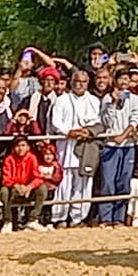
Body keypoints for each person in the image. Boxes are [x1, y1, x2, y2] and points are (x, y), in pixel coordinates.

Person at [47, 67, 101, 226]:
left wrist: (87, 131)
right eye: (77, 81)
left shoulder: (94, 100)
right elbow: (56, 122)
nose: (80, 85)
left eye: (83, 82)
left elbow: (96, 121)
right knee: (64, 183)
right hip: (66, 145)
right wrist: (69, 132)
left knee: (83, 183)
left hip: (86, 145)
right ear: (71, 82)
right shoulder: (62, 100)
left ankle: (78, 218)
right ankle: (60, 217)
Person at [97, 70, 138, 226]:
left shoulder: (135, 99)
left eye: (127, 79)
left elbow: (135, 118)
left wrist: (124, 135)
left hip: (128, 145)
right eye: (121, 78)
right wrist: (113, 103)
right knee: (108, 182)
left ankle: (119, 217)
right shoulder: (107, 98)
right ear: (115, 81)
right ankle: (105, 217)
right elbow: (105, 121)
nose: (124, 81)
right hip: (110, 145)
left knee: (124, 182)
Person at [1, 135, 49, 232]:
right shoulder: (9, 159)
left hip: (28, 189)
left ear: (28, 147)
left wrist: (29, 187)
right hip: (14, 189)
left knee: (43, 188)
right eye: (18, 146)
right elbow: (6, 179)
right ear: (14, 148)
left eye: (23, 145)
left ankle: (33, 220)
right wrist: (16, 186)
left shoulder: (32, 158)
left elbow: (38, 177)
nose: (20, 148)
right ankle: (7, 221)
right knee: (4, 191)